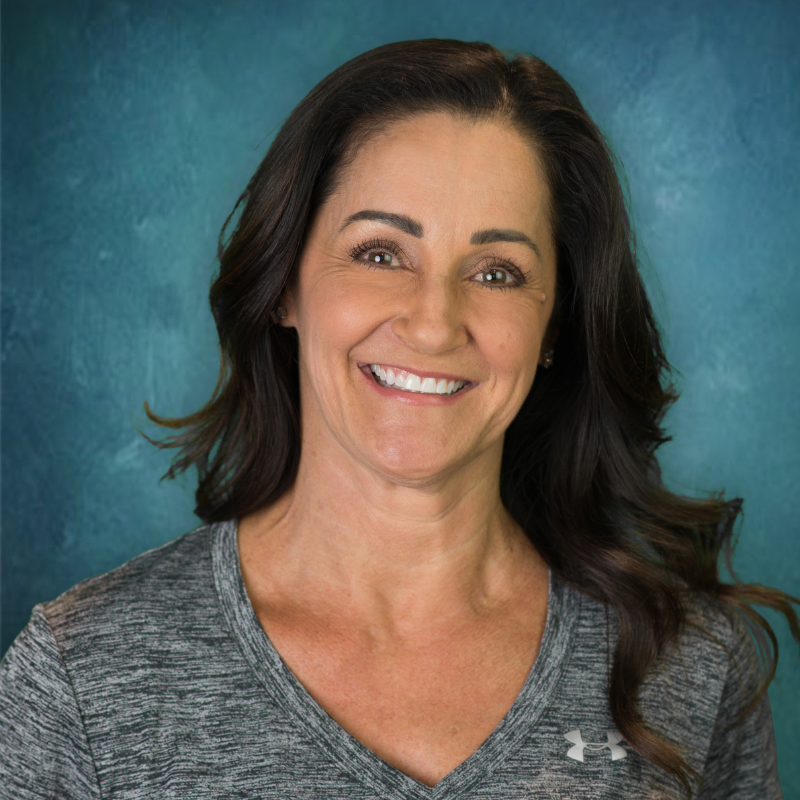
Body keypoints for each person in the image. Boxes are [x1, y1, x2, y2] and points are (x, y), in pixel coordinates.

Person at [1, 38, 797, 800]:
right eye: (381, 253)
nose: (433, 321)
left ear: (553, 328)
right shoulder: (82, 675)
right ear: (285, 283)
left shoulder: (686, 664)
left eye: (497, 271)